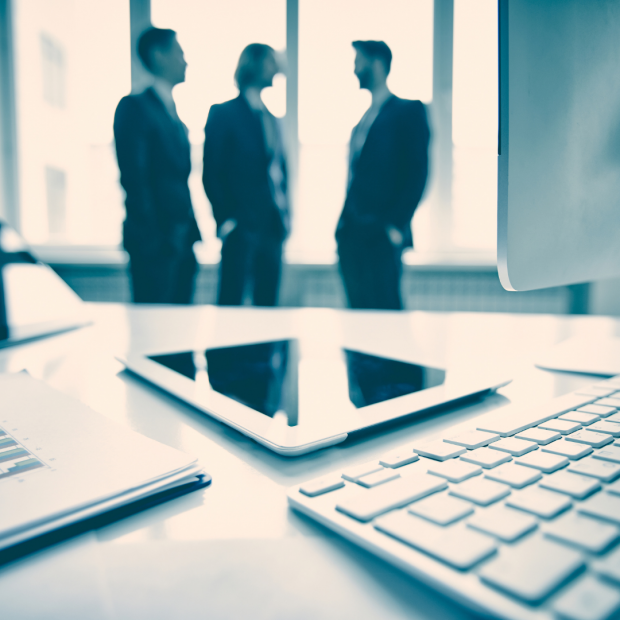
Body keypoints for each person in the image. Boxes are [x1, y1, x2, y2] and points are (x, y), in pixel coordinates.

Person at [336, 40, 430, 310]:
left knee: (386, 314)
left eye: (359, 62)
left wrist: (394, 226)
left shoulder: (408, 111)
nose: (355, 69)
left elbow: (418, 173)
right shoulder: (363, 120)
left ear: (377, 63)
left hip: (381, 236)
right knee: (357, 318)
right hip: (352, 235)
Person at [114, 27, 201, 304]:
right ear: (158, 55)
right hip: (155, 242)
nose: (185, 61)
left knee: (182, 328)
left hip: (182, 239)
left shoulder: (175, 116)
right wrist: (154, 239)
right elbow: (134, 179)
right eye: (179, 53)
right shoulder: (134, 108)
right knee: (155, 331)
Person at [202, 44, 288, 307]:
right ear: (255, 64)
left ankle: (264, 351)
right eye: (272, 62)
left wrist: (284, 218)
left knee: (267, 304)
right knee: (232, 301)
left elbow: (276, 174)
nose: (278, 69)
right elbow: (211, 172)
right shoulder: (224, 113)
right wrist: (227, 220)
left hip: (271, 228)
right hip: (240, 227)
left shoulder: (270, 118)